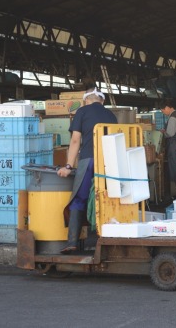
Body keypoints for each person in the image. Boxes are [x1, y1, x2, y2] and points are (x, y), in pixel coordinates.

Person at [57, 87, 118, 254]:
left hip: (89, 161)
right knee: (105, 199)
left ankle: (72, 242)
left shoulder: (82, 112)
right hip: (108, 163)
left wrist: (69, 166)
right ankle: (103, 240)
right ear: (102, 101)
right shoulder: (111, 115)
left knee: (79, 199)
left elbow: (76, 140)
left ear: (86, 101)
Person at [159, 99, 176, 199]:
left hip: (173, 144)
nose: (163, 112)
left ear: (167, 107)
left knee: (174, 168)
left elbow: (170, 133)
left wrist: (163, 132)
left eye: (163, 110)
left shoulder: (173, 117)